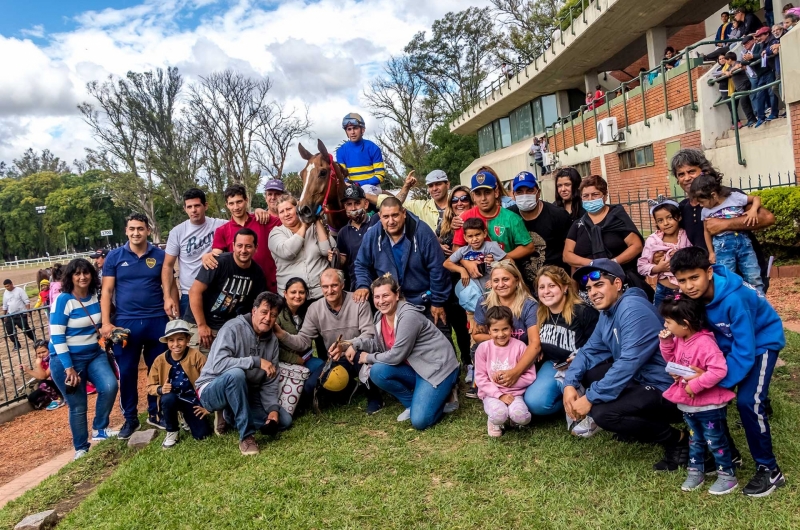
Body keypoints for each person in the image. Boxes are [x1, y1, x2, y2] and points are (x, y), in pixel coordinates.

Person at [670, 247, 786, 497]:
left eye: (694, 277)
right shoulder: (690, 297)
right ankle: (729, 456)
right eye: (682, 280)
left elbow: (745, 350)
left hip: (761, 344)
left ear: (709, 272)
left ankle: (770, 470)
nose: (688, 285)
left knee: (748, 402)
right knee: (707, 398)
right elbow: (692, 335)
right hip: (727, 347)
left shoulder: (735, 298)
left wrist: (712, 380)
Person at [563, 259, 685, 471]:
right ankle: (634, 427)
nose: (592, 293)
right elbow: (589, 350)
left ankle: (678, 440)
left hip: (669, 388)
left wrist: (590, 398)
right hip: (642, 380)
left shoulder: (632, 309)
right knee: (590, 372)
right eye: (589, 288)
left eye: (599, 285)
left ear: (617, 284)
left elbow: (628, 363)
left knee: (603, 413)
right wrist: (569, 385)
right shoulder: (608, 312)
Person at [335, 274, 460, 430]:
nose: (381, 301)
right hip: (416, 367)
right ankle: (412, 403)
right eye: (377, 297)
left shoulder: (408, 316)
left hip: (436, 368)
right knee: (378, 371)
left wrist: (369, 357)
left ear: (397, 295)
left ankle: (447, 393)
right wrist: (353, 344)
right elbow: (379, 343)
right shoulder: (380, 315)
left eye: (386, 295)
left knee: (420, 422)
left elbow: (396, 355)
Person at [101, 213, 172, 439]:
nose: (136, 233)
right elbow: (107, 291)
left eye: (140, 228)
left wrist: (172, 305)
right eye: (132, 228)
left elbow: (169, 286)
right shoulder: (114, 257)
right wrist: (105, 322)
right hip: (126, 325)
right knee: (128, 372)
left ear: (148, 230)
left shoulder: (160, 256)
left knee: (157, 370)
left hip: (156, 320)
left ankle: (156, 412)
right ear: (126, 230)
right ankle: (130, 419)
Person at [657, 295, 737, 494]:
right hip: (690, 405)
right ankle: (696, 472)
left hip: (708, 406)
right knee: (695, 439)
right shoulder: (680, 338)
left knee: (715, 440)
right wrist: (666, 343)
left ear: (684, 324)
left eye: (668, 321)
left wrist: (697, 385)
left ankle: (727, 475)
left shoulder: (705, 343)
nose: (665, 324)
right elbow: (672, 359)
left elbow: (719, 370)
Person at [272, 269, 382, 414]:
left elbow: (369, 335)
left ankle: (375, 398)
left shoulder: (358, 302)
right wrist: (282, 334)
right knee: (310, 387)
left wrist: (347, 345)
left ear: (342, 284)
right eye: (325, 286)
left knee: (359, 357)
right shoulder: (315, 308)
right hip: (336, 358)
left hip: (357, 352)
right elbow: (303, 341)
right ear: (320, 287)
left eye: (334, 285)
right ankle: (351, 389)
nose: (330, 290)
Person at [195, 292, 291, 456]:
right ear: (254, 311)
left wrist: (273, 410)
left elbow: (270, 380)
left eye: (273, 315)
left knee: (283, 421)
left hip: (247, 391)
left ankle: (229, 415)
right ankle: (246, 436)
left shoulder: (272, 340)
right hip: (212, 387)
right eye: (264, 312)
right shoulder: (232, 328)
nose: (267, 318)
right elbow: (218, 365)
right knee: (236, 374)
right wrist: (255, 361)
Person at [671, 149, 774, 290]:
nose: (686, 178)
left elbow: (766, 218)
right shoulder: (682, 208)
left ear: (704, 171)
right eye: (681, 174)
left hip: (745, 273)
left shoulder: (726, 196)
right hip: (711, 281)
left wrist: (724, 224)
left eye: (691, 171)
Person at [49, 258, 119, 460]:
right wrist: (68, 367)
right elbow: (57, 336)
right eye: (77, 273)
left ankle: (100, 428)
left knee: (109, 386)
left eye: (86, 273)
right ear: (70, 277)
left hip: (93, 354)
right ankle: (81, 447)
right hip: (68, 360)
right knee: (78, 405)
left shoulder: (94, 295)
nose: (82, 277)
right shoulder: (63, 300)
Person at [353, 197, 451, 339]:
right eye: (386, 216)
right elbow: (361, 264)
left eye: (395, 215)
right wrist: (362, 285)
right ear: (380, 216)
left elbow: (437, 268)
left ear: (404, 213)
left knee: (439, 343)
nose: (391, 221)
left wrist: (437, 301)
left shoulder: (422, 232)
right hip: (393, 303)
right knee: (400, 348)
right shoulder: (373, 235)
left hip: (425, 301)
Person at [524, 266, 599, 425]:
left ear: (565, 287)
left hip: (583, 368)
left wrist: (581, 357)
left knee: (582, 418)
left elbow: (600, 345)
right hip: (554, 365)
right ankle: (564, 405)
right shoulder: (541, 313)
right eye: (542, 287)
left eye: (552, 286)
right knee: (535, 403)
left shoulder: (582, 311)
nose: (546, 291)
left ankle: (586, 403)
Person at [563, 175, 651, 299]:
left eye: (595, 194)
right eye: (585, 196)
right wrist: (593, 264)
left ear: (605, 196)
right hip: (589, 287)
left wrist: (612, 263)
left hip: (620, 284)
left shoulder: (617, 217)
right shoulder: (578, 225)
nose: (590, 199)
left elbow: (636, 246)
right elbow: (567, 255)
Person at [469, 261, 541, 399]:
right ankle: (482, 379)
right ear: (490, 283)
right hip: (494, 354)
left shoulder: (529, 305)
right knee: (480, 348)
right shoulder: (484, 302)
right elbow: (477, 336)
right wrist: (501, 337)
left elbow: (535, 343)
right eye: (496, 280)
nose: (501, 284)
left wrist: (515, 372)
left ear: (517, 280)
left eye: (506, 279)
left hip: (519, 356)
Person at [188, 228, 267, 352]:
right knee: (198, 366)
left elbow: (257, 305)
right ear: (233, 246)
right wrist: (202, 325)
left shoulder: (257, 273)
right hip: (201, 322)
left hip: (228, 327)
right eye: (240, 246)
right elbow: (194, 292)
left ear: (256, 248)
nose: (243, 250)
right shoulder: (218, 263)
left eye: (248, 246)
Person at [689, 174, 764, 294]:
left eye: (702, 201)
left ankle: (760, 301)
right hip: (722, 247)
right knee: (726, 278)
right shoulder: (705, 211)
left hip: (744, 243)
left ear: (713, 195)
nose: (701, 205)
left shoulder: (735, 197)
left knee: (753, 275)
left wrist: (753, 210)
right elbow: (706, 231)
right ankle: (729, 302)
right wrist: (711, 252)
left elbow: (756, 198)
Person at [162, 188, 228, 321]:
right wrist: (167, 296)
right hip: (189, 294)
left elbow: (244, 221)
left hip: (218, 292)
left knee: (221, 337)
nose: (193, 210)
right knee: (192, 339)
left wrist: (258, 211)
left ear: (205, 206)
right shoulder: (177, 232)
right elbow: (167, 266)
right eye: (189, 207)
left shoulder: (220, 225)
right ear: (184, 209)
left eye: (197, 205)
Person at [147, 320, 212, 449]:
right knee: (167, 398)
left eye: (180, 339)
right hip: (172, 399)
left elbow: (209, 380)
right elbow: (150, 386)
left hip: (192, 400)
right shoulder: (160, 360)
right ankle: (172, 431)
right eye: (171, 340)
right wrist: (160, 389)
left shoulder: (196, 356)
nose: (175, 344)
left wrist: (208, 406)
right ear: (167, 342)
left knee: (202, 435)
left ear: (188, 339)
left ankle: (186, 417)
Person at [205, 184, 281, 294]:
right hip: (242, 290)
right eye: (231, 203)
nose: (236, 207)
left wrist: (263, 210)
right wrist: (208, 257)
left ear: (246, 200)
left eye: (239, 202)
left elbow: (288, 221)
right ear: (226, 205)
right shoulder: (222, 230)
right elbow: (217, 255)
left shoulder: (262, 219)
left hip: (270, 285)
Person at [475, 306, 536, 437]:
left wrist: (511, 381)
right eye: (495, 330)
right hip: (492, 395)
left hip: (516, 394)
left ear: (511, 329)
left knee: (522, 417)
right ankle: (495, 421)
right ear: (489, 331)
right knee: (499, 414)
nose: (501, 334)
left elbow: (530, 376)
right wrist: (499, 394)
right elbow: (480, 378)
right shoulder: (483, 348)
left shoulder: (520, 347)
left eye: (505, 329)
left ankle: (513, 418)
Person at [452, 172, 534, 262]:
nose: (483, 198)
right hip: (476, 274)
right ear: (473, 196)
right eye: (478, 194)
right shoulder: (464, 218)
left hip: (505, 272)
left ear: (496, 192)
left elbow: (528, 247)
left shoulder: (512, 218)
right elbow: (457, 248)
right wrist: (467, 263)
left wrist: (501, 257)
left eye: (487, 192)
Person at [509, 171, 572, 286]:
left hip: (556, 283)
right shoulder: (508, 216)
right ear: (513, 195)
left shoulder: (558, 215)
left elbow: (571, 251)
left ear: (538, 193)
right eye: (519, 192)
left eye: (529, 191)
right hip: (521, 287)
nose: (525, 195)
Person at [268, 195, 333, 300]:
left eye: (289, 209)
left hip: (321, 292)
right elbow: (288, 252)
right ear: (278, 215)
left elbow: (327, 250)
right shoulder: (275, 233)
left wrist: (316, 220)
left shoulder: (313, 227)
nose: (286, 214)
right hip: (292, 298)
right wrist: (304, 226)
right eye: (282, 211)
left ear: (297, 208)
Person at [438, 184, 474, 367]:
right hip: (451, 283)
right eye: (455, 200)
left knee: (475, 325)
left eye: (464, 199)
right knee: (459, 327)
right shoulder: (444, 228)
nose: (459, 202)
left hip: (474, 281)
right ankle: (466, 361)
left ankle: (478, 363)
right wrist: (439, 245)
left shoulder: (478, 221)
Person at [275, 277, 326, 404]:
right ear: (285, 293)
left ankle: (308, 396)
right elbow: (272, 347)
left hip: (306, 359)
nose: (297, 296)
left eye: (301, 292)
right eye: (293, 292)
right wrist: (294, 359)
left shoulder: (308, 312)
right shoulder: (277, 315)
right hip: (284, 362)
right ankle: (302, 399)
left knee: (324, 367)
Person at [638, 200, 691, 308]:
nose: (666, 223)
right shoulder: (653, 240)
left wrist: (681, 256)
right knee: (661, 321)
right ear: (656, 223)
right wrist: (658, 268)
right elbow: (641, 266)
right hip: (663, 291)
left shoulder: (686, 235)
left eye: (670, 218)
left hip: (686, 290)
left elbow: (694, 256)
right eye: (660, 220)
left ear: (679, 217)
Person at [334, 183, 381, 290]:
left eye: (357, 203)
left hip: (381, 282)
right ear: (345, 207)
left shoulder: (377, 221)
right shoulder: (343, 232)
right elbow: (344, 261)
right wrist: (335, 257)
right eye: (349, 204)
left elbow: (392, 205)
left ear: (366, 204)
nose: (353, 208)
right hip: (358, 285)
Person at [336, 113, 385, 196]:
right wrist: (350, 185)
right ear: (346, 132)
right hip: (350, 187)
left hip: (372, 187)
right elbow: (342, 176)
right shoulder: (341, 151)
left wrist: (359, 184)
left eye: (355, 128)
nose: (352, 132)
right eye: (349, 129)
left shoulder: (373, 148)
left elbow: (380, 175)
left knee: (365, 190)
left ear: (362, 130)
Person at [747, 27, 780, 127]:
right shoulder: (762, 44)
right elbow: (761, 55)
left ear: (767, 34)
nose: (759, 38)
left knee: (772, 92)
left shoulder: (772, 40)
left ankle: (774, 113)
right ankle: (761, 117)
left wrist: (765, 52)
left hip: (770, 71)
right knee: (759, 95)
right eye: (757, 36)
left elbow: (769, 51)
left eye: (760, 35)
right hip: (763, 74)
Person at [19, 339, 64, 410]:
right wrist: (27, 370)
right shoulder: (43, 361)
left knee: (42, 383)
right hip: (54, 384)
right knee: (32, 397)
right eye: (39, 353)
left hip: (62, 383)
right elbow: (41, 376)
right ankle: (50, 400)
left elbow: (43, 377)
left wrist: (38, 364)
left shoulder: (53, 359)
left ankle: (59, 399)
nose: (41, 355)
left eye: (44, 352)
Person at [725, 51, 757, 128]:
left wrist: (731, 71)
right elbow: (725, 72)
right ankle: (752, 119)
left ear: (729, 59)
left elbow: (739, 66)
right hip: (739, 88)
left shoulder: (737, 63)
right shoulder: (730, 67)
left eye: (726, 60)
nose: (726, 61)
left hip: (744, 85)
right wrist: (726, 72)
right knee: (746, 103)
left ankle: (752, 119)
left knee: (744, 103)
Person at [2, 279, 36, 351]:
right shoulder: (5, 293)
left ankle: (35, 340)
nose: (7, 288)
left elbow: (26, 301)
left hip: (21, 313)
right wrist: (4, 315)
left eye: (8, 286)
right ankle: (16, 344)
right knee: (9, 330)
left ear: (11, 284)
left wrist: (28, 311)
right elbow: (5, 305)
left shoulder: (19, 290)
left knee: (25, 328)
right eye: (5, 287)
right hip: (10, 314)